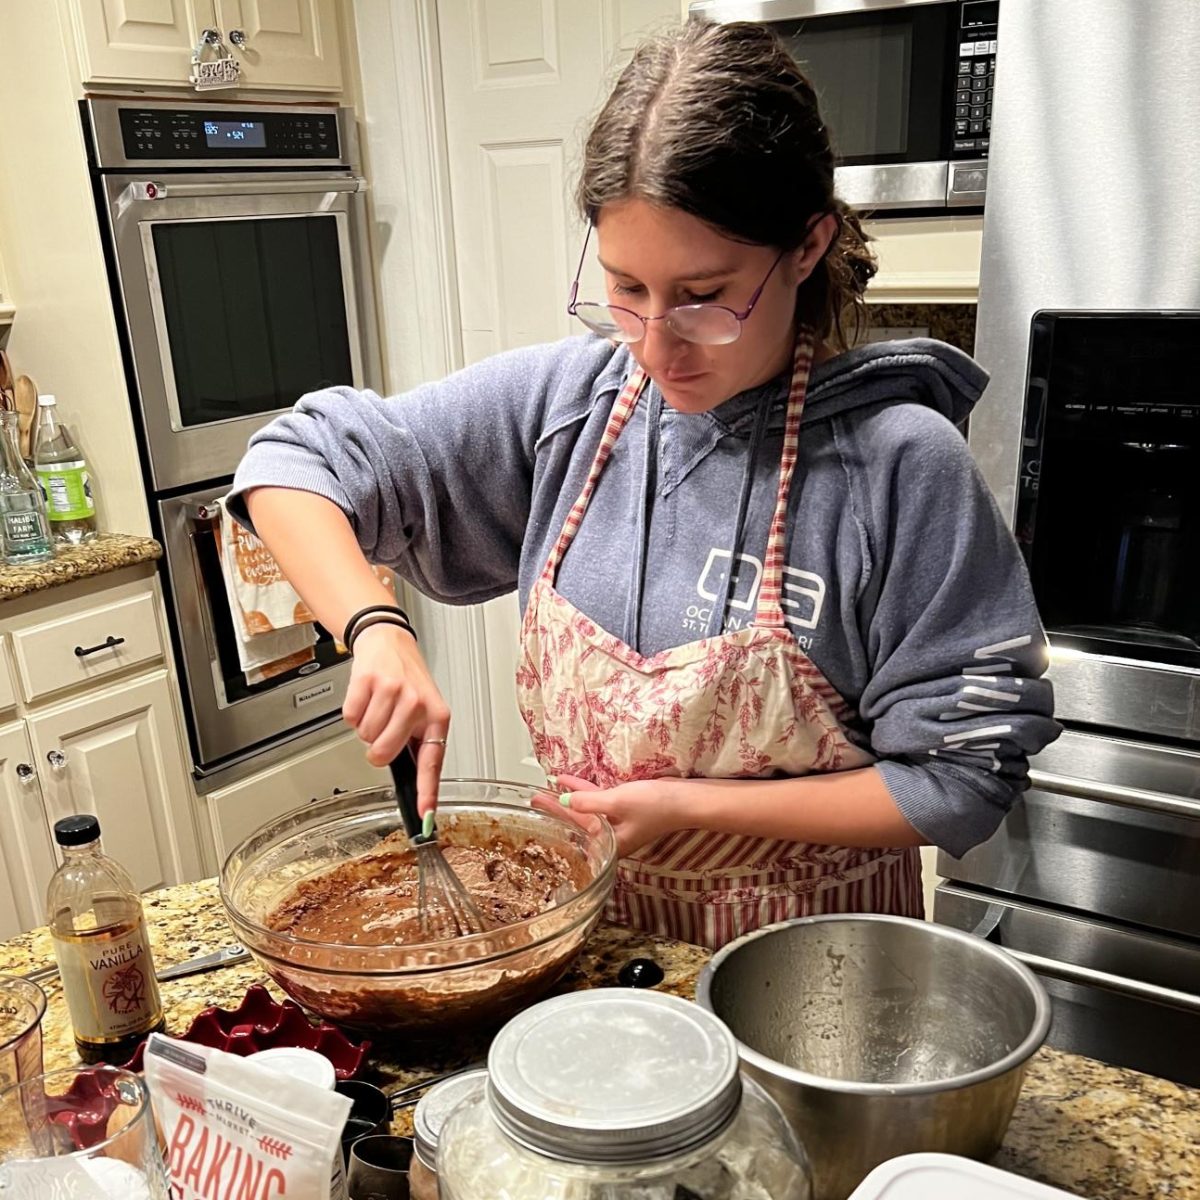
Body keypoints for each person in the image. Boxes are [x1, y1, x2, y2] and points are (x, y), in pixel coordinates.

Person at [229, 18, 1059, 950]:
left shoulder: (899, 468)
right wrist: (373, 625)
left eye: (704, 296)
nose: (656, 347)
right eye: (626, 289)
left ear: (807, 245)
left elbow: (962, 778)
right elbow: (292, 460)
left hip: (817, 991)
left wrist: (695, 806)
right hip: (602, 974)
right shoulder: (566, 410)